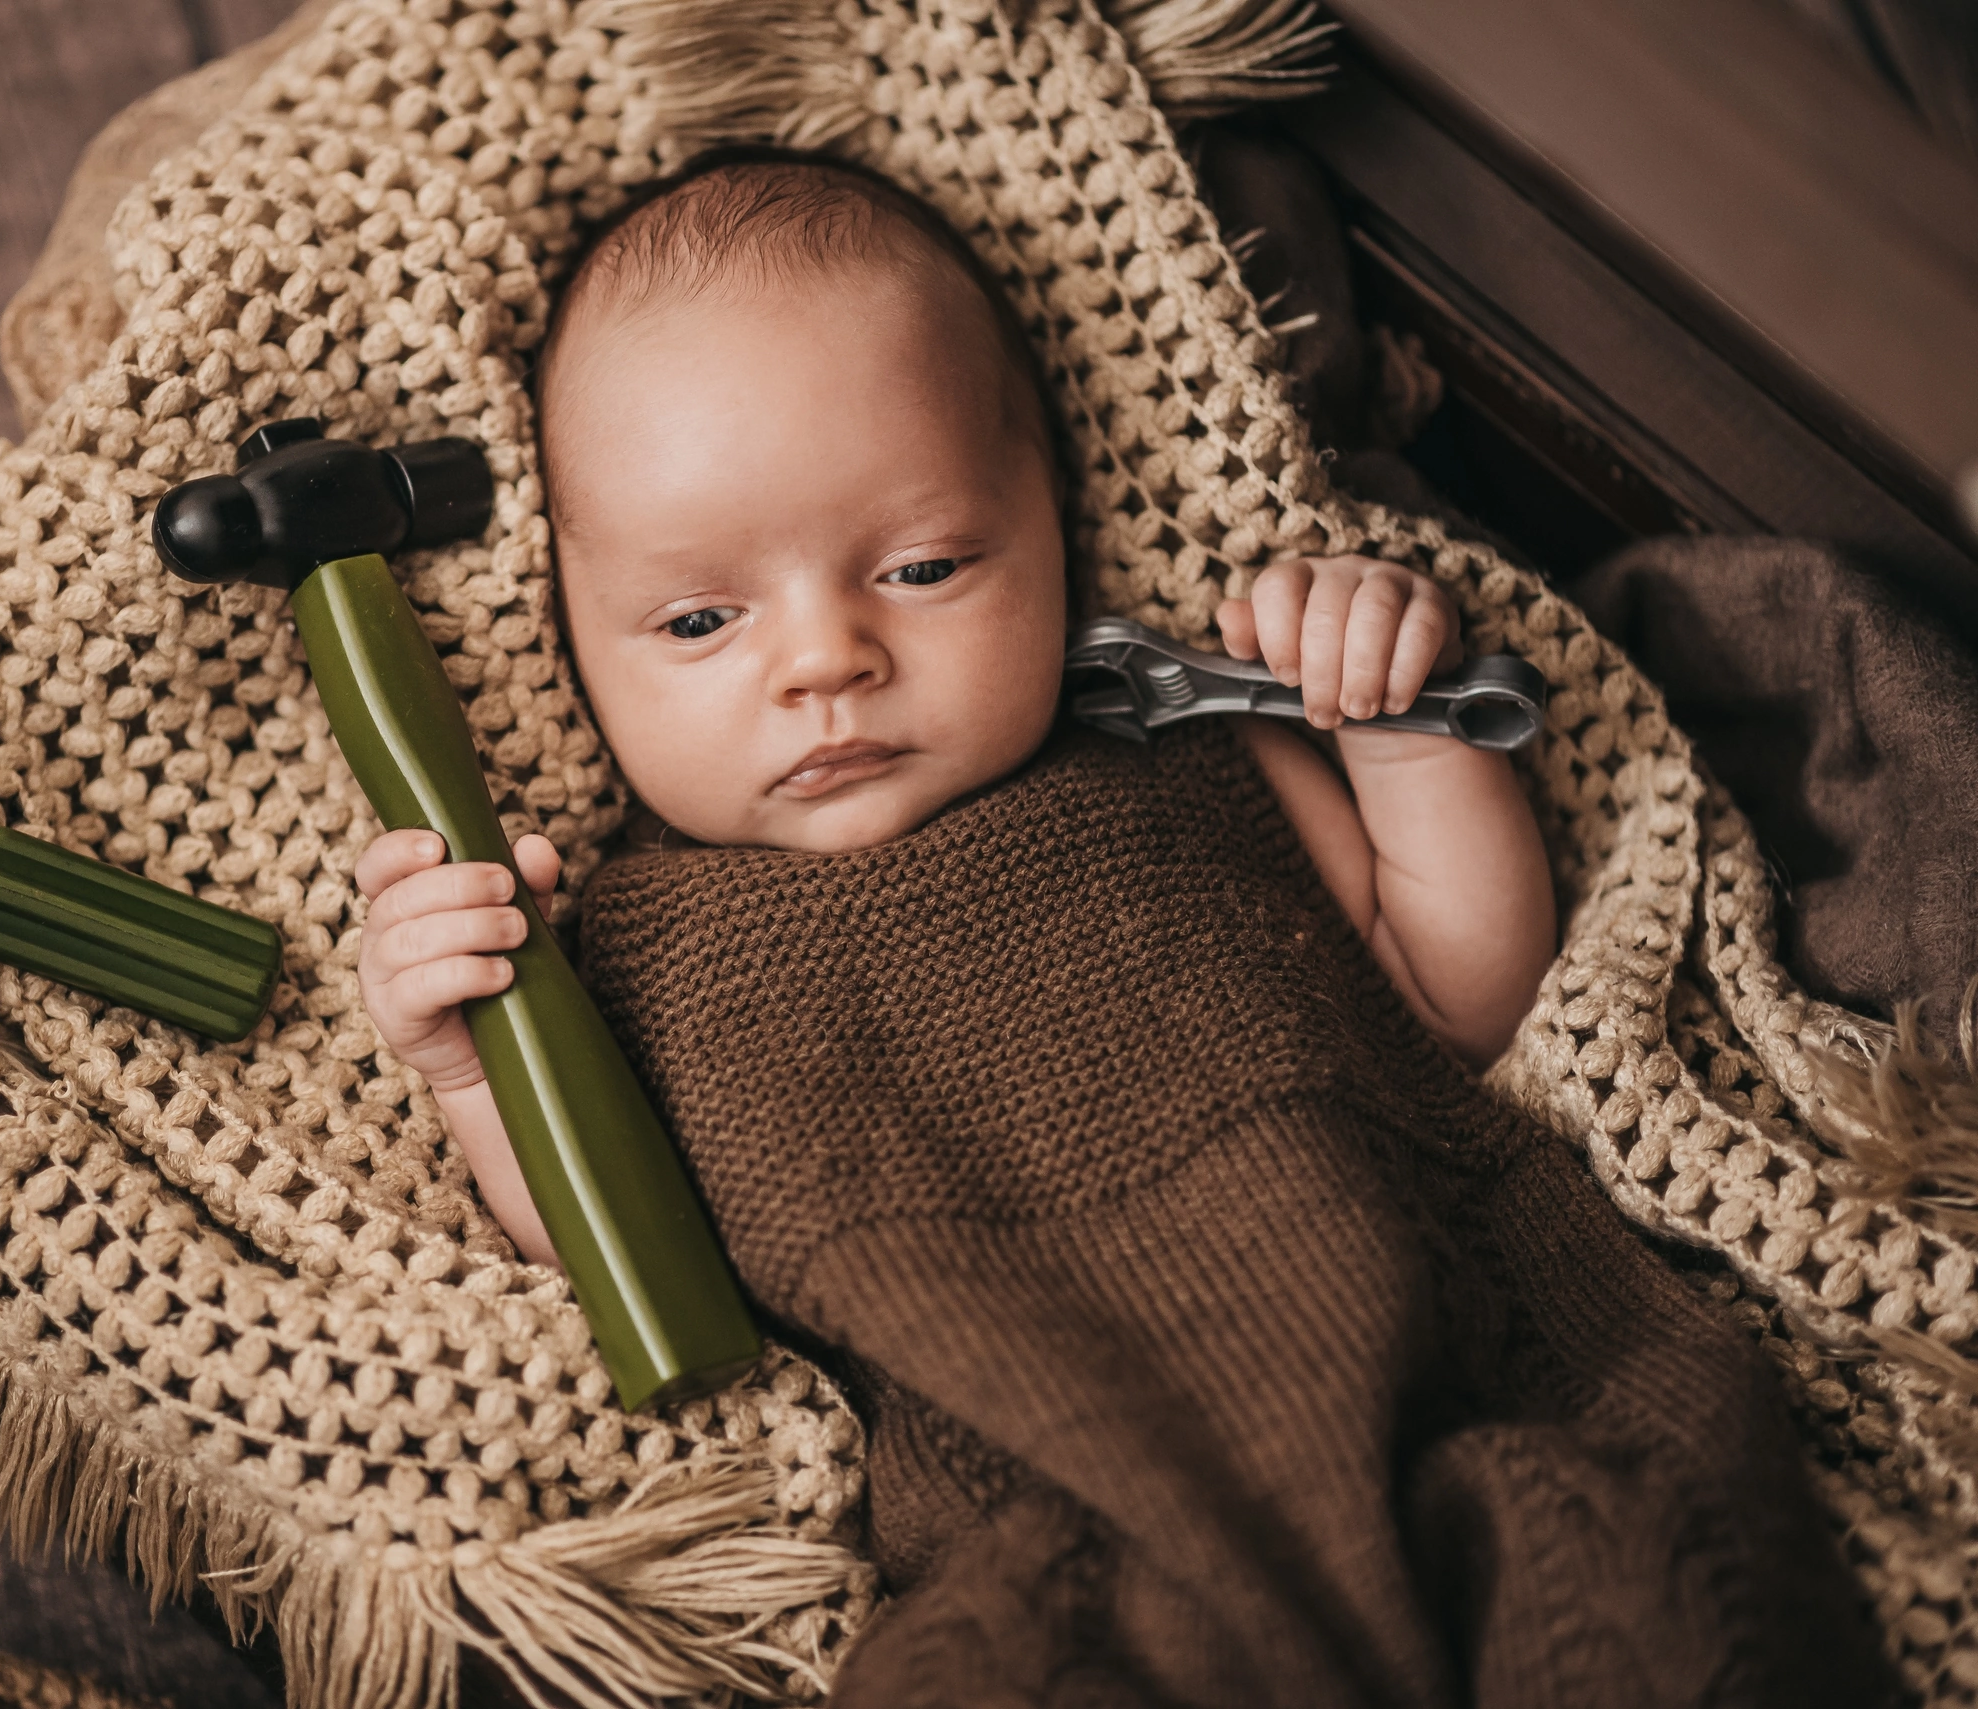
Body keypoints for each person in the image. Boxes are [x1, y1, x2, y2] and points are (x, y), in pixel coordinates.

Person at [351, 154, 1886, 1705]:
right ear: (576, 643)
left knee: (1659, 1612)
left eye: (923, 567)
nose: (825, 659)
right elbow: (633, 1257)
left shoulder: (1182, 754)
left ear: (1054, 529)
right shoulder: (632, 949)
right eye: (700, 620)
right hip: (1042, 1543)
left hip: (1460, 1395)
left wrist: (1402, 728)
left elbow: (1465, 996)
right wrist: (474, 1065)